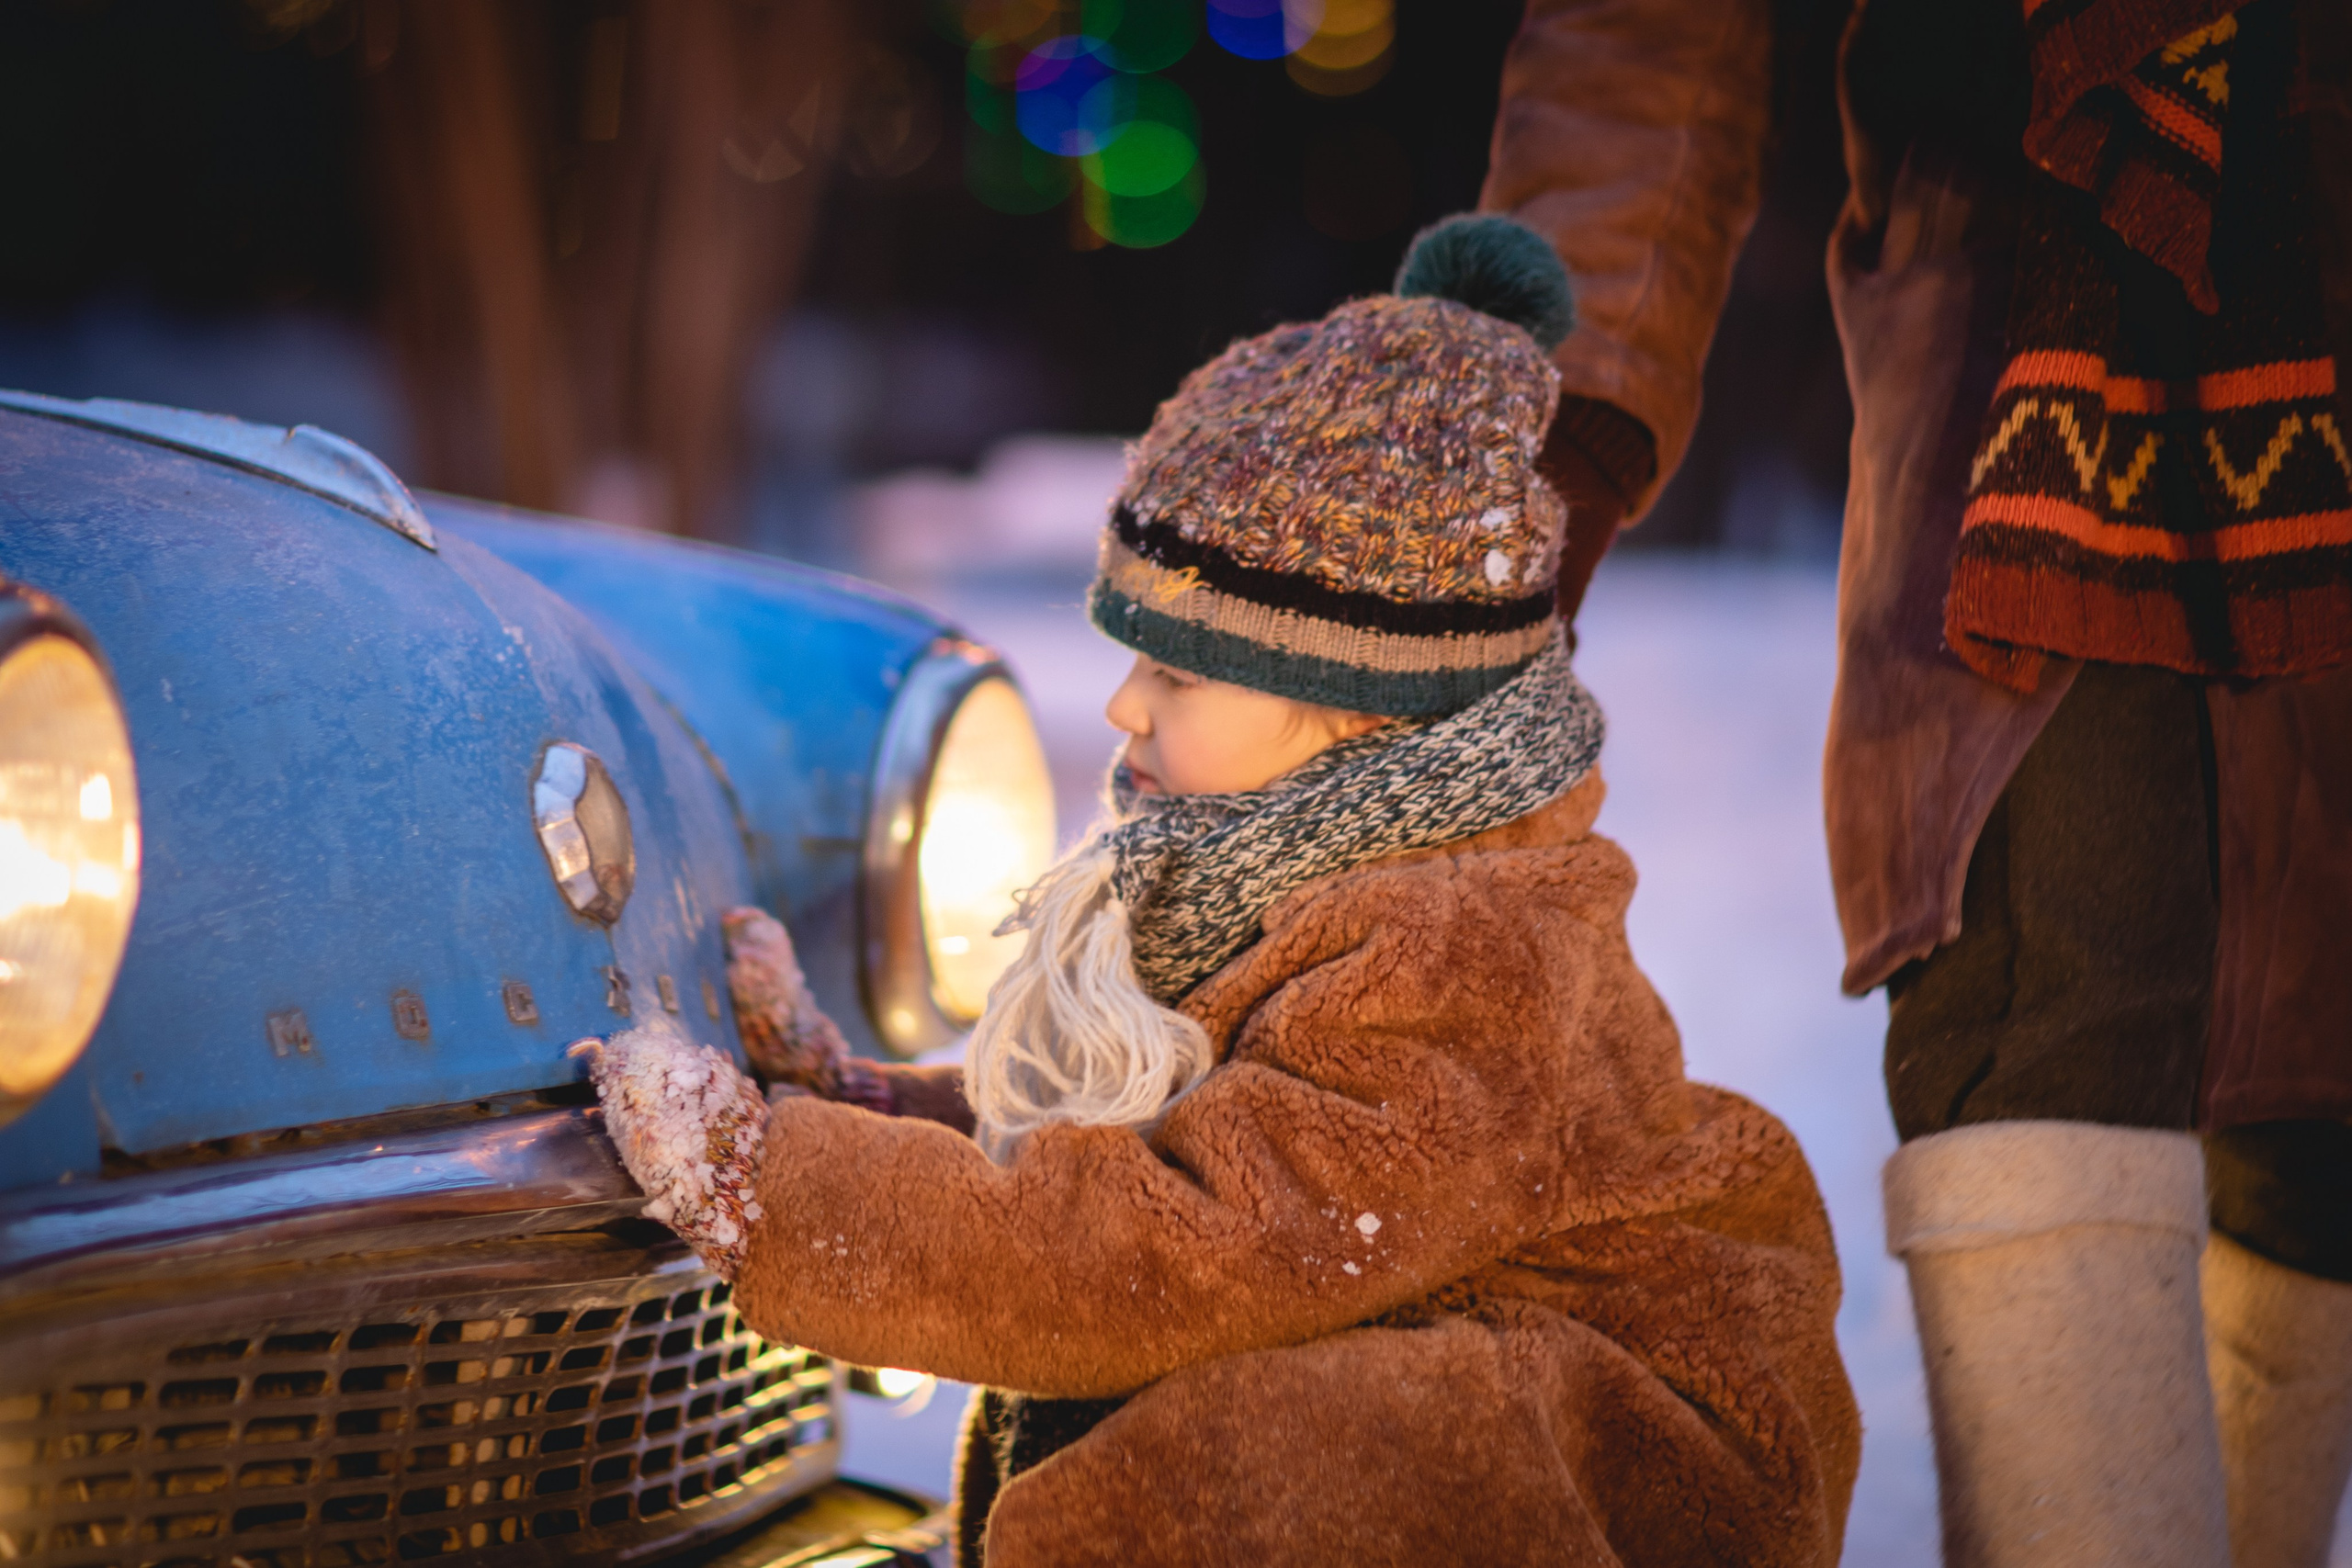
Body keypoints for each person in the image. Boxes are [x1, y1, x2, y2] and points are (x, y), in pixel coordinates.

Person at [575, 215, 1860, 1567]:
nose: (1123, 708)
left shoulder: (1464, 948)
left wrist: (776, 1186)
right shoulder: (1287, 858)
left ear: (1358, 705)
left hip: (1617, 1439)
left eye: (1176, 675)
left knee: (1241, 1464)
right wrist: (864, 1109)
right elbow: (1160, 1129)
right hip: (1416, 1307)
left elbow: (1178, 1243)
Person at [1482, 1, 2352, 1563]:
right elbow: (1641, 40)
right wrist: (1549, 445)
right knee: (2054, 998)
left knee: (2319, 1087)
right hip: (2028, 367)